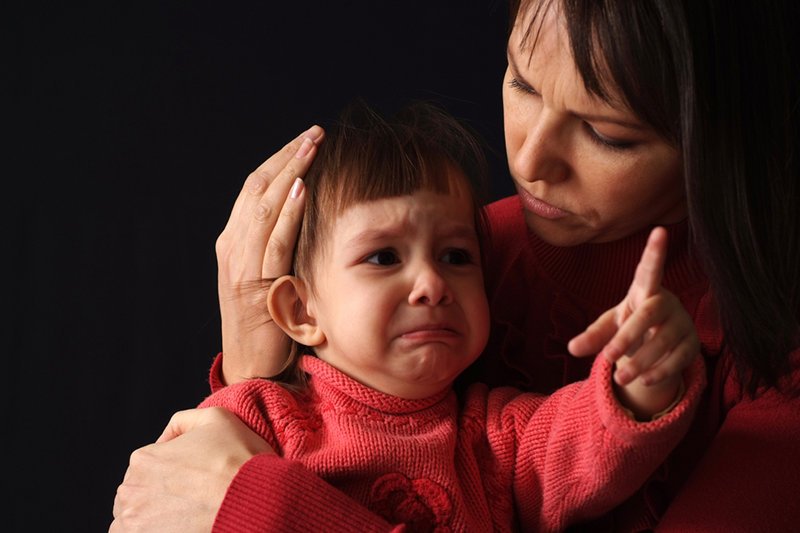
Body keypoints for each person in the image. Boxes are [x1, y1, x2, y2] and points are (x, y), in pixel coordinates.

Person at [111, 0, 800, 531]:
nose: (530, 160)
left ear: (719, 142)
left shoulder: (492, 410)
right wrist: (253, 364)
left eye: (605, 133)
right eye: (522, 84)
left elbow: (562, 448)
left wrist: (268, 508)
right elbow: (180, 486)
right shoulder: (472, 245)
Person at [198, 100, 704, 531]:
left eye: (456, 257)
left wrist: (639, 381)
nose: (433, 285)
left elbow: (578, 447)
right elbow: (171, 497)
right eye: (384, 258)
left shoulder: (493, 434)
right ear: (301, 310)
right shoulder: (261, 415)